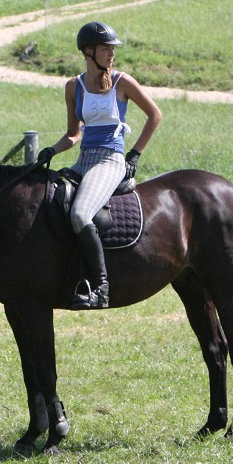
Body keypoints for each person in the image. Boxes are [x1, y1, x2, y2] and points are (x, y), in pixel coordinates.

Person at [37, 21, 162, 309]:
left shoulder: (122, 81)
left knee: (80, 214)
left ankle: (101, 288)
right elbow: (73, 134)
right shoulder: (73, 86)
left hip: (111, 160)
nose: (111, 54)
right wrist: (51, 151)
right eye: (106, 49)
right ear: (89, 51)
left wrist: (135, 154)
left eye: (112, 49)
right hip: (84, 160)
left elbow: (155, 115)